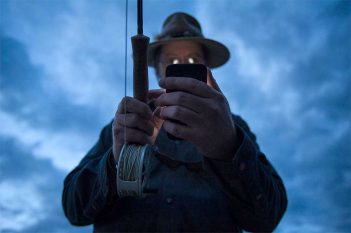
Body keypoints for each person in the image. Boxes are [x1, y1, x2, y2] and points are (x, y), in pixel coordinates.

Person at [62, 12, 287, 232]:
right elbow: (74, 209)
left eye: (192, 61)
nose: (182, 65)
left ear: (206, 69)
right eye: (171, 61)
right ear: (157, 68)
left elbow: (267, 219)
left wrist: (228, 147)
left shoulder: (234, 128)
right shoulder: (122, 127)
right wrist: (114, 162)